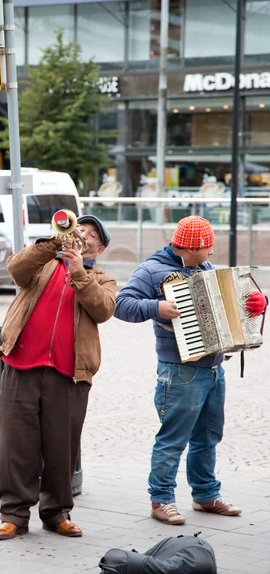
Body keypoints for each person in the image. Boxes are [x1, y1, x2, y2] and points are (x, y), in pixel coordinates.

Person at [114, 215, 267, 525]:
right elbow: (120, 304)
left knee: (208, 437)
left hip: (213, 368)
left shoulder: (204, 269)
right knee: (173, 438)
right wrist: (157, 307)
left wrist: (255, 303)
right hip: (179, 371)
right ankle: (161, 500)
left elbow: (227, 309)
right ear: (190, 247)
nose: (211, 253)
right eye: (207, 247)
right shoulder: (152, 270)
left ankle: (206, 494)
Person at [0, 214, 116, 540]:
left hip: (69, 374)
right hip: (21, 364)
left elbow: (103, 310)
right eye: (80, 230)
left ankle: (57, 512)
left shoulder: (103, 279)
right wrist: (52, 244)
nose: (82, 235)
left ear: (99, 249)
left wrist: (78, 272)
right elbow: (15, 269)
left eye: (90, 234)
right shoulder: (44, 263)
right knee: (16, 444)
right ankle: (14, 515)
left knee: (63, 448)